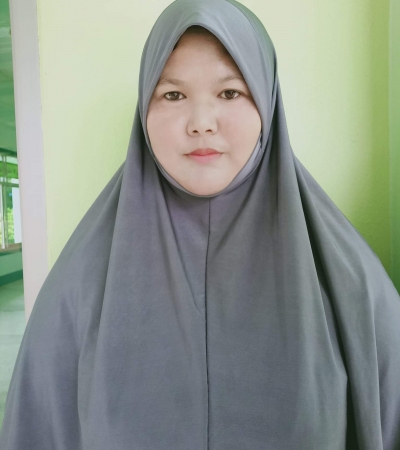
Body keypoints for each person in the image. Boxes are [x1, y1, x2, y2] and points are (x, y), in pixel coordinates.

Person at [1, 0, 399, 448]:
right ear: (144, 109)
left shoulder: (349, 283)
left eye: (230, 93)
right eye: (173, 95)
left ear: (267, 101)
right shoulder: (77, 289)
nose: (201, 124)